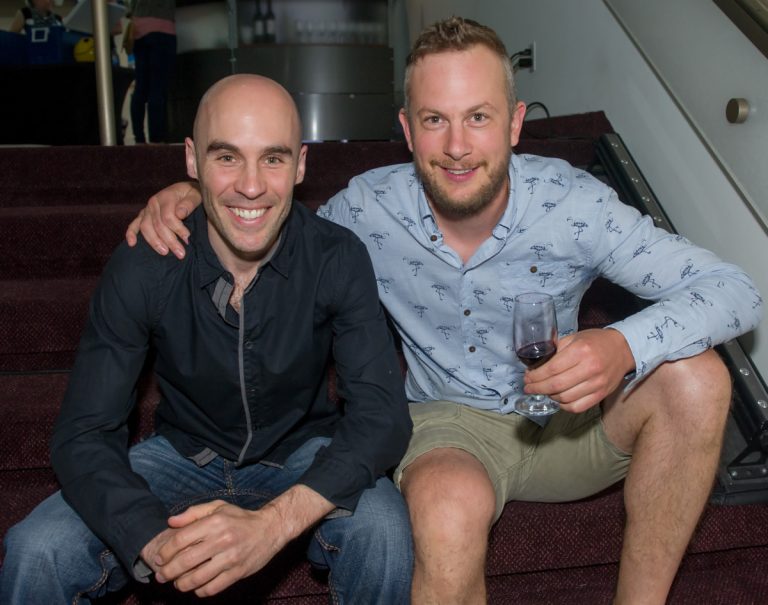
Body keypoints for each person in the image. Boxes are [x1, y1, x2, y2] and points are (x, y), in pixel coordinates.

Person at [125, 17, 763, 605]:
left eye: (478, 117)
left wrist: (621, 345)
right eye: (435, 120)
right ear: (406, 129)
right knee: (447, 507)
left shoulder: (575, 203)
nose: (457, 146)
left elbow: (736, 289)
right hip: (450, 427)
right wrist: (198, 192)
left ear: (514, 124)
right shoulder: (367, 209)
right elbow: (271, 238)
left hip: (570, 419)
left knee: (699, 377)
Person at [0, 74, 413, 604]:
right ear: (192, 161)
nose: (251, 185)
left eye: (273, 158)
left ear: (301, 164)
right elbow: (84, 433)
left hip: (302, 454)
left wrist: (271, 526)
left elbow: (381, 417)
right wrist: (149, 536)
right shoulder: (146, 261)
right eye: (226, 157)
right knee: (38, 549)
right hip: (180, 455)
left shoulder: (337, 256)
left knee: (384, 532)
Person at [126, 0, 176, 143]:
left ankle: (139, 138)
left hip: (139, 28)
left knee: (141, 87)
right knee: (158, 87)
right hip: (163, 27)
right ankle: (157, 139)